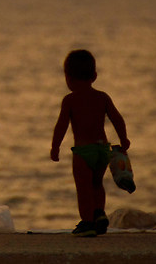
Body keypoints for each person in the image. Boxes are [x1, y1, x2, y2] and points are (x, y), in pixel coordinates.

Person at [50, 49, 131, 237]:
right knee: (97, 184)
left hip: (83, 152)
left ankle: (87, 223)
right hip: (103, 150)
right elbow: (117, 119)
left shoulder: (69, 100)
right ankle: (99, 214)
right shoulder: (102, 97)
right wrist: (124, 138)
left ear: (68, 78)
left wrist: (55, 147)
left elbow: (61, 126)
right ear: (94, 76)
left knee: (83, 187)